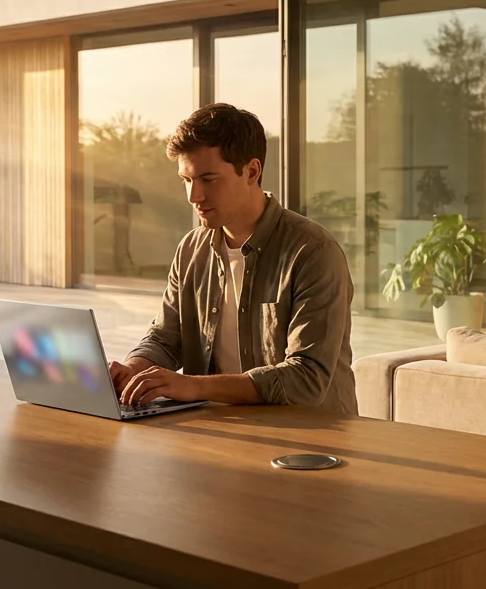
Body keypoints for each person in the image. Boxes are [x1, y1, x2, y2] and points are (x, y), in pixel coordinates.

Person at [109, 104, 357, 414]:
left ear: (252, 172)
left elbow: (306, 378)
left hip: (310, 439)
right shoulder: (191, 249)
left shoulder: (314, 252)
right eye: (186, 180)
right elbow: (166, 338)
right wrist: (135, 370)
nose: (193, 196)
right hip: (219, 432)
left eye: (208, 179)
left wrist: (193, 386)